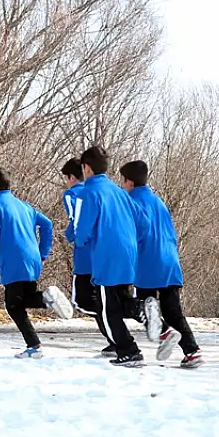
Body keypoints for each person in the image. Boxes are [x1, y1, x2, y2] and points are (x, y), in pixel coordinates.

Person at [0, 167, 72, 357]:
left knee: (12, 305)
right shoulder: (24, 206)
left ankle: (35, 345)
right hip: (33, 258)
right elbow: (47, 224)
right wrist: (43, 252)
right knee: (23, 299)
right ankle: (46, 300)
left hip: (15, 260)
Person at [120, 160, 203, 368]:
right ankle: (192, 351)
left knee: (144, 308)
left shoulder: (131, 201)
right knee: (173, 311)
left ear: (129, 181)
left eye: (122, 180)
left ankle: (165, 333)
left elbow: (135, 233)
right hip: (170, 261)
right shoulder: (158, 201)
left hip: (148, 263)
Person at [74, 146, 145, 367]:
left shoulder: (88, 192)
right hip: (129, 254)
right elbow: (143, 223)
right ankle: (138, 308)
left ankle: (128, 350)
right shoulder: (120, 192)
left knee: (107, 310)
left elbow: (82, 230)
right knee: (119, 301)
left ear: (86, 168)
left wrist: (79, 239)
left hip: (107, 256)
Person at [62, 159, 114, 355]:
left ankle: (115, 334)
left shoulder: (73, 194)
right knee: (102, 299)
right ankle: (114, 338)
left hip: (84, 257)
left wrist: (70, 234)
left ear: (72, 177)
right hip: (104, 254)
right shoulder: (103, 191)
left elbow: (76, 223)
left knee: (83, 301)